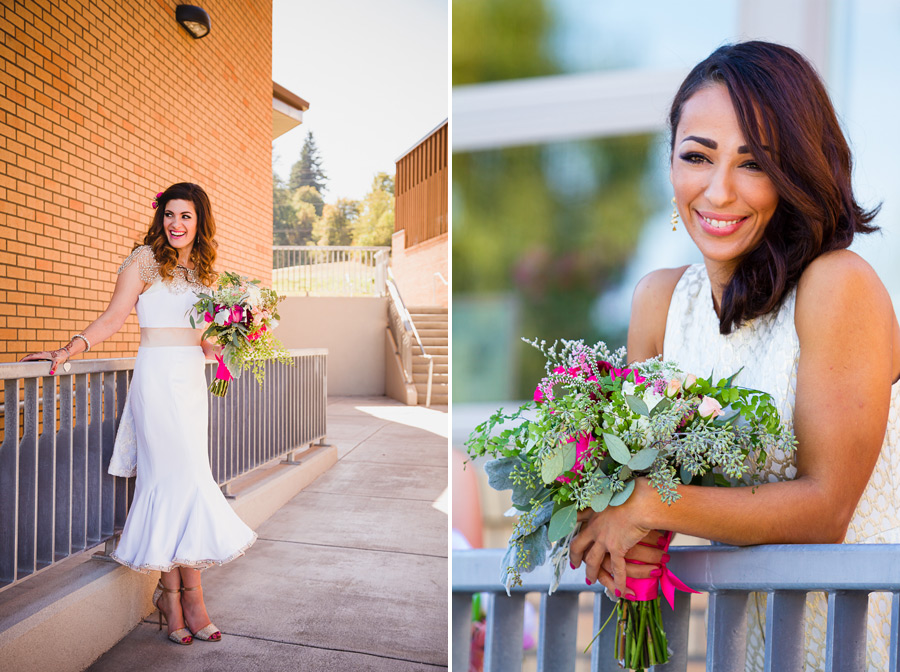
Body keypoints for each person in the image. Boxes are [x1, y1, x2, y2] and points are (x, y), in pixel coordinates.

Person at [568, 41, 900, 671]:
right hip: (746, 640)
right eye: (698, 156)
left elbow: (827, 508)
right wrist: (605, 518)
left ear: (799, 170)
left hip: (864, 632)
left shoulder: (838, 285)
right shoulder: (658, 303)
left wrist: (644, 504)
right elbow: (630, 478)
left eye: (754, 163)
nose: (718, 192)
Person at [21, 183, 257, 646]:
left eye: (186, 217)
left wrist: (241, 335)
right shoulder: (143, 261)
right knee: (167, 483)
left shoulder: (208, 275)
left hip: (190, 384)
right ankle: (181, 599)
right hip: (155, 382)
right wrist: (67, 351)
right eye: (170, 215)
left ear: (199, 222)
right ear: (160, 217)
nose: (176, 225)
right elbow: (113, 318)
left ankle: (182, 596)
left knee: (190, 481)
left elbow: (205, 342)